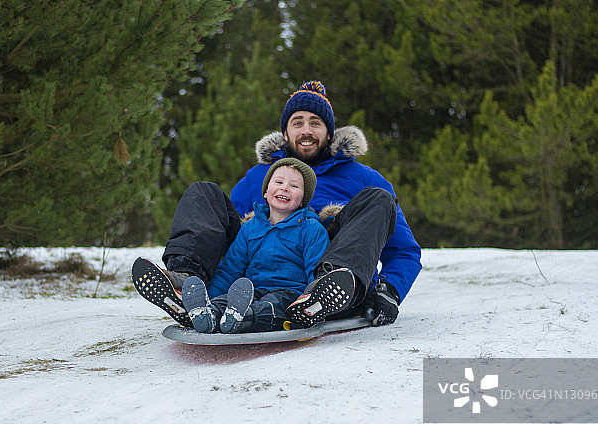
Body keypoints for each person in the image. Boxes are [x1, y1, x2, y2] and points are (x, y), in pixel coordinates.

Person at [131, 80, 421, 329]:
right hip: (260, 281)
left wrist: (390, 290)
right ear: (285, 133)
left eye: (315, 123)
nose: (306, 130)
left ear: (330, 133)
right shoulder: (259, 177)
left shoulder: (363, 178)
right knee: (203, 192)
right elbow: (227, 240)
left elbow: (404, 250)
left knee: (379, 198)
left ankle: (326, 291)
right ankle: (186, 283)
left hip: (327, 271)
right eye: (297, 122)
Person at [180, 157, 329, 334]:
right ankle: (208, 314)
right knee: (225, 301)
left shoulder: (311, 229)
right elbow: (230, 269)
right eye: (279, 182)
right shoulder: (249, 229)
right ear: (265, 192)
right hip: (249, 292)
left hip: (289, 293)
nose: (285, 188)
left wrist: (310, 303)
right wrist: (212, 297)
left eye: (294, 186)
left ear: (303, 200)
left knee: (272, 306)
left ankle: (243, 319)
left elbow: (315, 271)